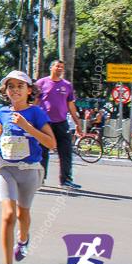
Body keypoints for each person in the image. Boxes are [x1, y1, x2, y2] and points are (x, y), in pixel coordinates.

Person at [0, 70, 56, 264]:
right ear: (5, 91)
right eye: (11, 86)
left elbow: (51, 144)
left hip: (30, 170)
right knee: (8, 215)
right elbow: (2, 128)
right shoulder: (3, 112)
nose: (15, 90)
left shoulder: (36, 114)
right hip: (6, 168)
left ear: (29, 90)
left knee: (23, 214)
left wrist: (27, 127)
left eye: (20, 86)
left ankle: (23, 239)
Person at [36, 60, 84, 189]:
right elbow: (34, 102)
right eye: (57, 66)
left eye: (62, 67)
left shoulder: (67, 85)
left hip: (62, 123)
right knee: (42, 152)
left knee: (66, 151)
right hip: (45, 123)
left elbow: (71, 105)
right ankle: (40, 178)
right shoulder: (41, 83)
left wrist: (77, 123)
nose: (59, 69)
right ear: (51, 67)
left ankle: (66, 180)